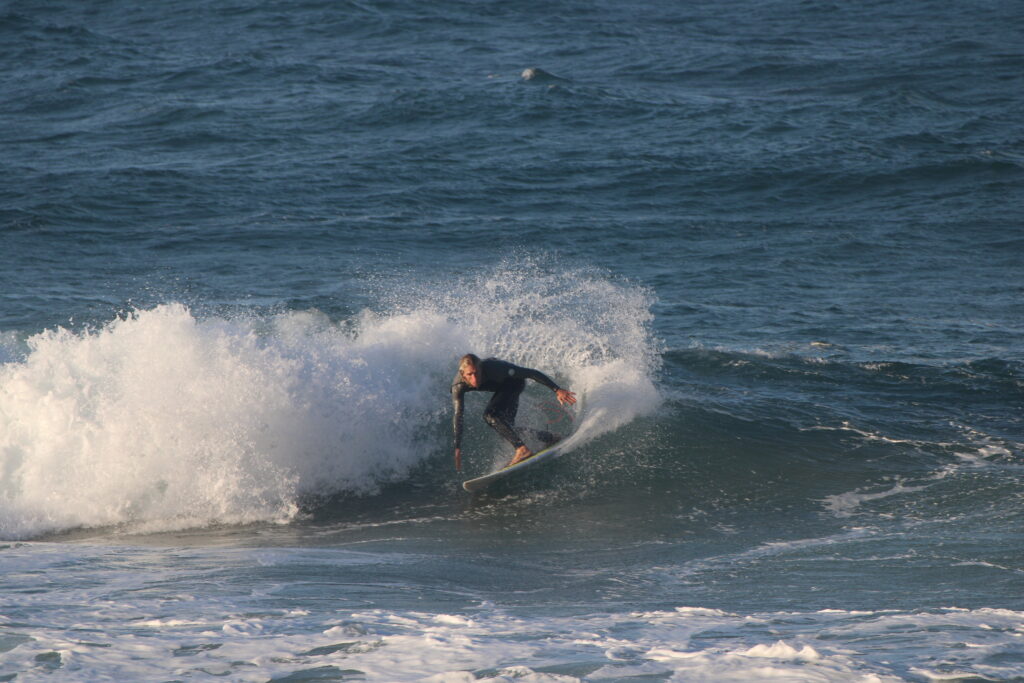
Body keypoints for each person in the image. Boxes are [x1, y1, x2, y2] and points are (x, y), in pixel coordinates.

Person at [451, 353, 577, 471]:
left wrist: (557, 390)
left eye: (477, 372)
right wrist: (457, 446)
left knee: (490, 416)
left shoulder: (495, 368)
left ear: (481, 368)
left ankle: (522, 449)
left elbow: (530, 373)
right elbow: (458, 414)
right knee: (506, 429)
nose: (475, 378)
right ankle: (551, 438)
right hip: (502, 389)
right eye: (470, 375)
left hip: (514, 383)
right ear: (463, 375)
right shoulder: (458, 386)